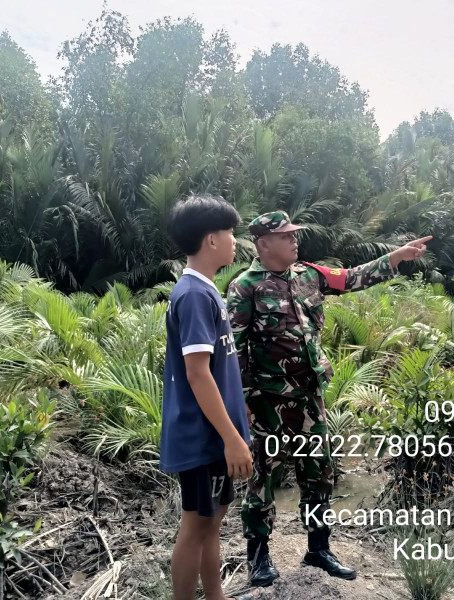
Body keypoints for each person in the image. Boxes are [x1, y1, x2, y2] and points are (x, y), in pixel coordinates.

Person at [227, 210, 431, 586]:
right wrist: (239, 404)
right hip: (267, 402)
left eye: (294, 235)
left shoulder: (310, 275)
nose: (294, 240)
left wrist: (396, 257)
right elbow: (234, 349)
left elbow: (353, 277)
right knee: (264, 478)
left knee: (319, 472)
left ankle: (318, 549)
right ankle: (259, 558)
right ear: (264, 243)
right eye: (286, 236)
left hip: (310, 398)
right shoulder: (246, 286)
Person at [159, 195, 260, 600]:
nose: (235, 241)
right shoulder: (194, 296)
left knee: (212, 520)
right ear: (210, 239)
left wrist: (239, 418)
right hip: (203, 438)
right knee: (196, 525)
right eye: (230, 232)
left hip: (215, 435)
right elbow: (197, 374)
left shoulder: (206, 291)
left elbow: (218, 369)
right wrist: (232, 438)